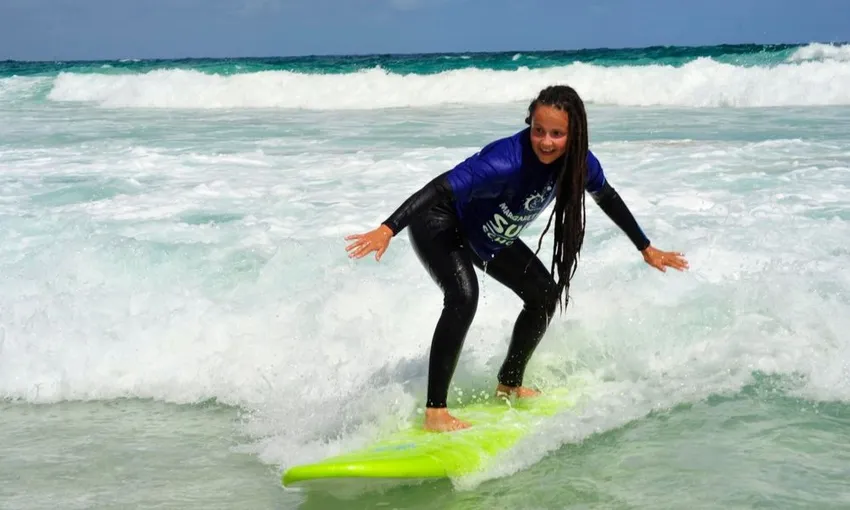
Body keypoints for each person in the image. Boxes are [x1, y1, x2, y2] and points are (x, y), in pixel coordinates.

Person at [344, 84, 689, 433]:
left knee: (543, 295)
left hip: (489, 233)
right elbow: (439, 188)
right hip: (439, 222)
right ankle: (435, 412)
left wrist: (645, 247)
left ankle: (509, 383)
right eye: (538, 130)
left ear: (575, 134)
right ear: (529, 124)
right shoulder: (503, 161)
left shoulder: (581, 163)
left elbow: (607, 197)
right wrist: (388, 228)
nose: (546, 141)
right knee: (463, 297)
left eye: (557, 133)